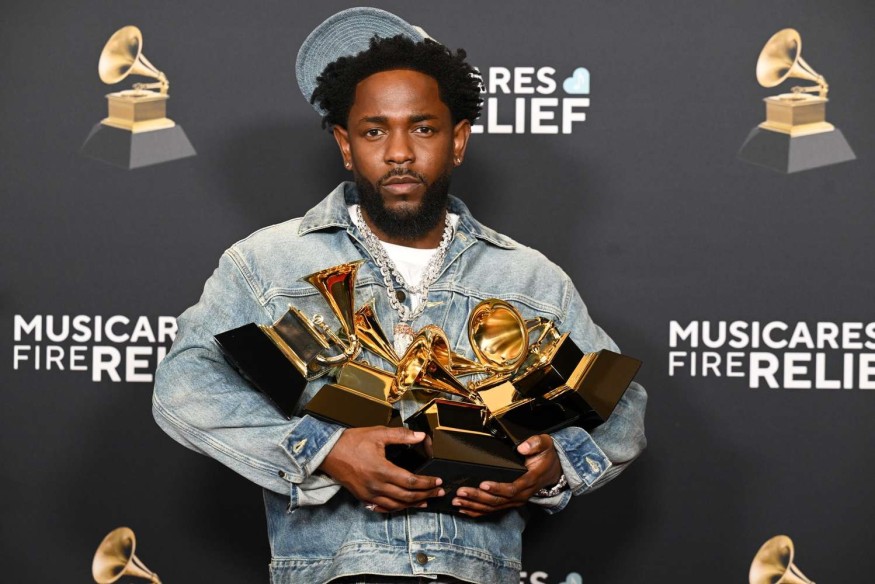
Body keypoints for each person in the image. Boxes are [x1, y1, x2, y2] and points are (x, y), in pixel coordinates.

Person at [152, 7, 647, 584]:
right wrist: (324, 450)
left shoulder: (531, 279)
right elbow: (183, 383)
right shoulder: (267, 262)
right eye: (373, 131)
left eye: (423, 128)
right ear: (345, 145)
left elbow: (621, 405)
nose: (399, 153)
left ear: (458, 140)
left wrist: (554, 465)